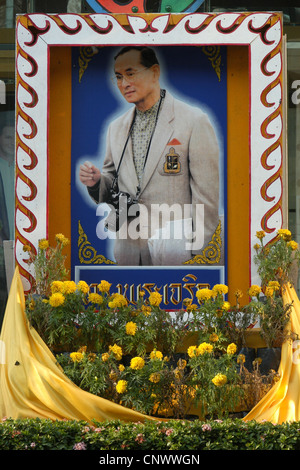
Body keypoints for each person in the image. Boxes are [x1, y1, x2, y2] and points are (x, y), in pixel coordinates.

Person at [79, 46, 220, 266]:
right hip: (129, 253)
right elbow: (111, 183)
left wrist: (198, 256)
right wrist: (97, 182)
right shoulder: (115, 128)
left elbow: (207, 198)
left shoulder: (194, 121)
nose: (124, 83)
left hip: (175, 253)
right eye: (118, 76)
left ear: (154, 72)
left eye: (130, 73)